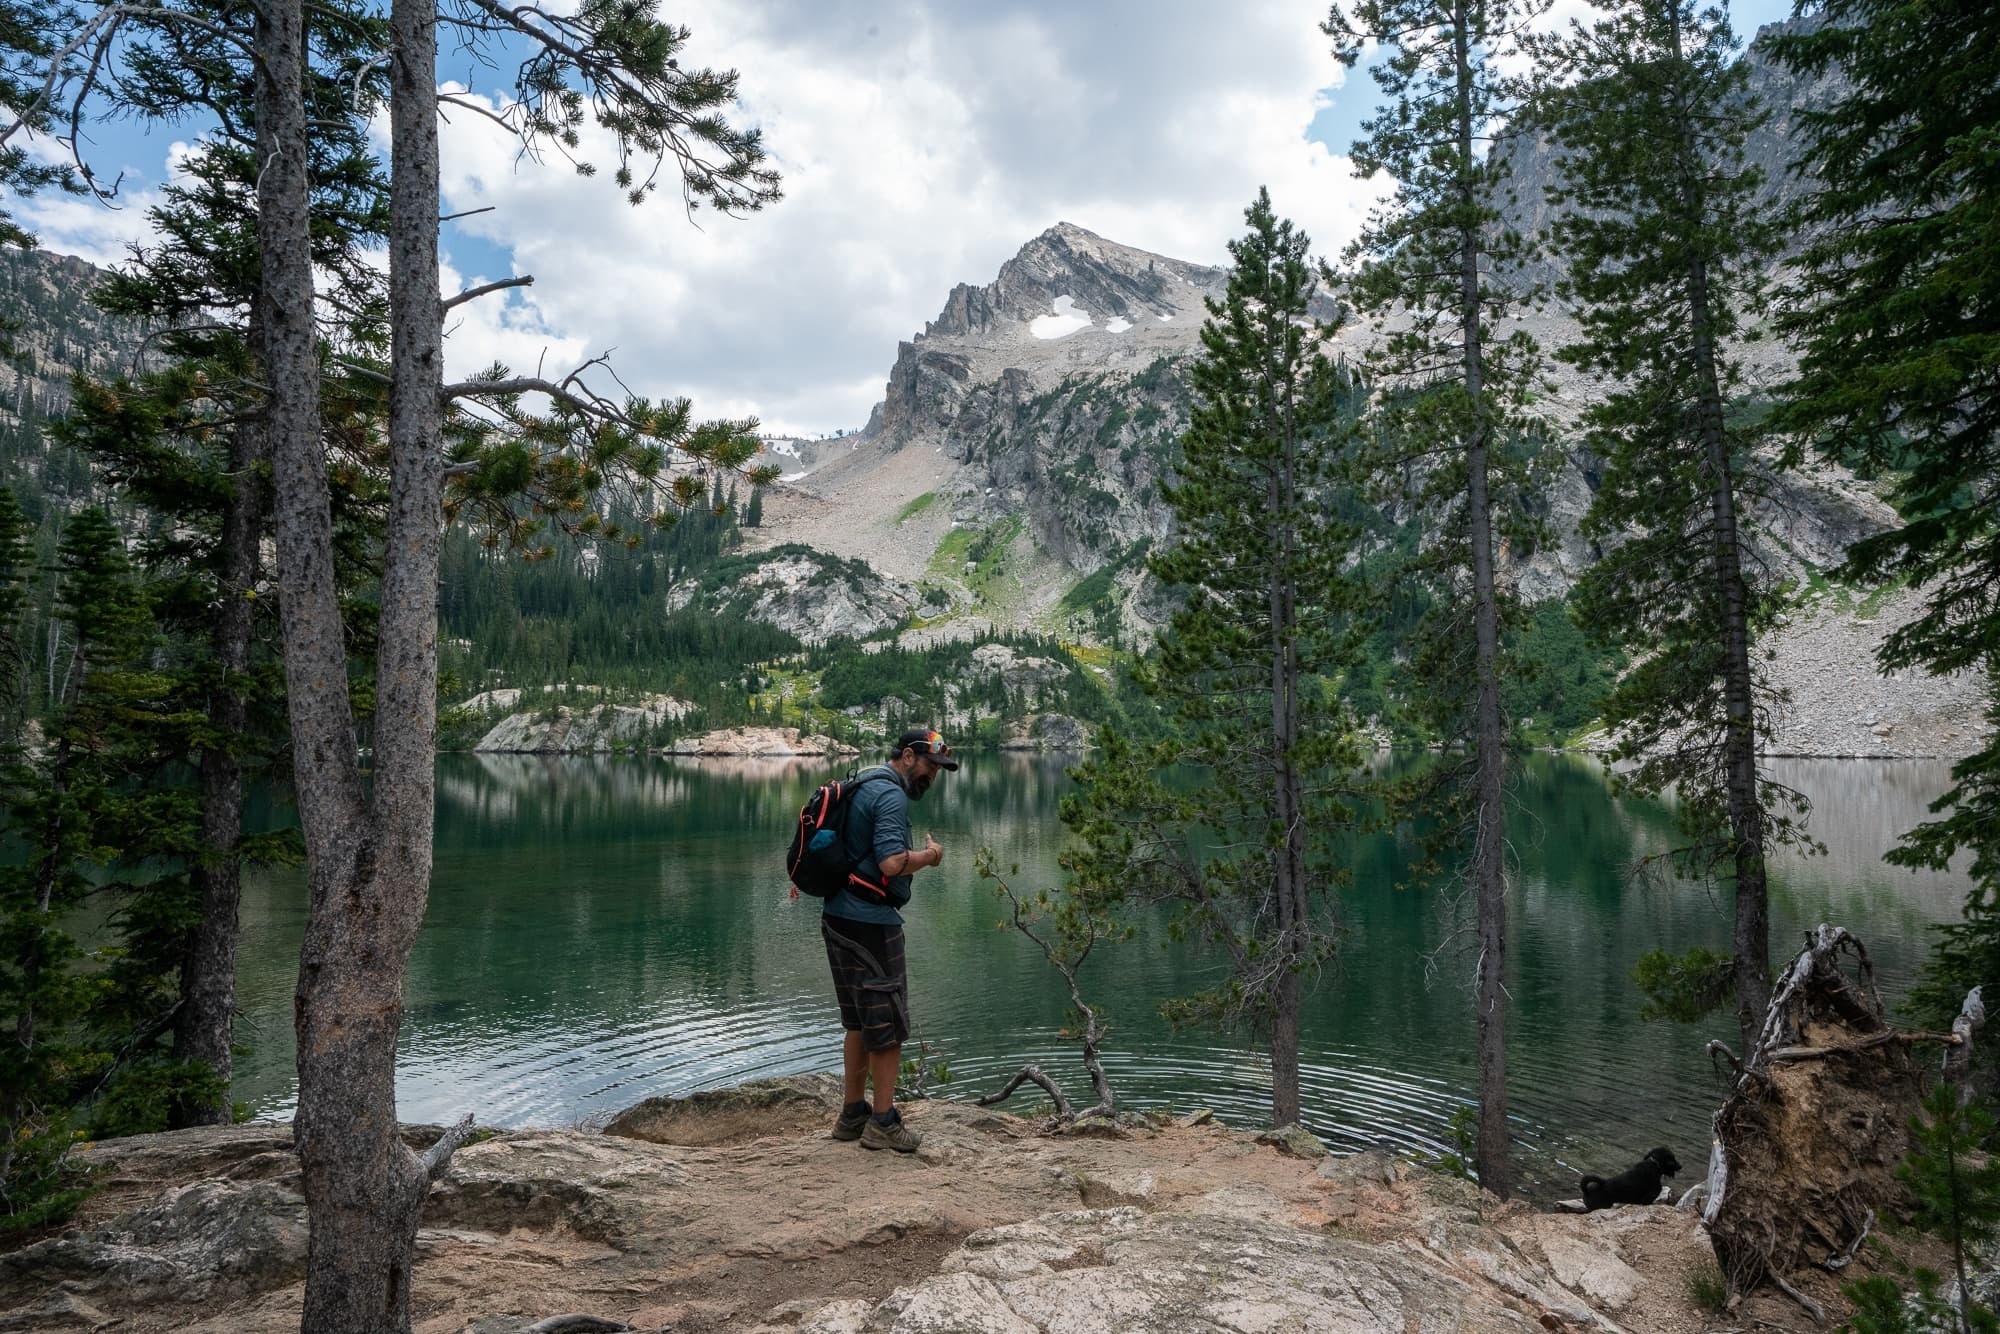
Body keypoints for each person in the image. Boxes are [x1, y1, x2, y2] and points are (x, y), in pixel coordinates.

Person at [822, 727, 957, 1152]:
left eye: (939, 768)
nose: (933, 776)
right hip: (871, 924)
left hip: (838, 915)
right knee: (889, 1024)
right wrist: (930, 857)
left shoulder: (863, 781)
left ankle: (852, 1114)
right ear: (909, 757)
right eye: (931, 766)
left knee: (858, 1021)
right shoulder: (891, 795)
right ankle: (882, 1121)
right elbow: (892, 862)